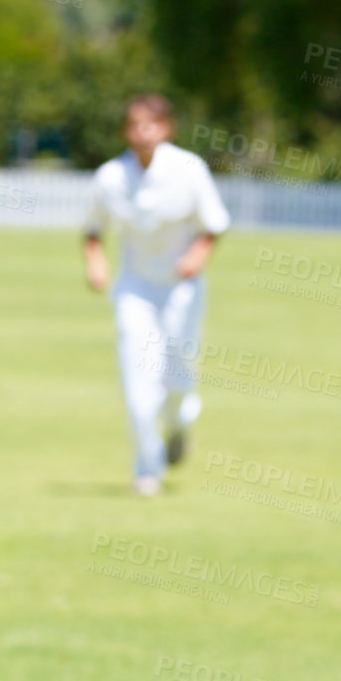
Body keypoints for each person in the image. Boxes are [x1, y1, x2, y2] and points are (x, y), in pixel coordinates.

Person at [83, 94, 231, 496]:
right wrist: (95, 263)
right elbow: (93, 229)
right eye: (134, 124)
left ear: (166, 128)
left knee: (178, 378)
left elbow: (213, 224)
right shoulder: (111, 176)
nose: (142, 132)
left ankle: (180, 423)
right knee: (137, 382)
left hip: (181, 287)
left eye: (150, 124)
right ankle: (147, 467)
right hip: (136, 288)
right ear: (125, 131)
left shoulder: (188, 169)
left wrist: (196, 257)